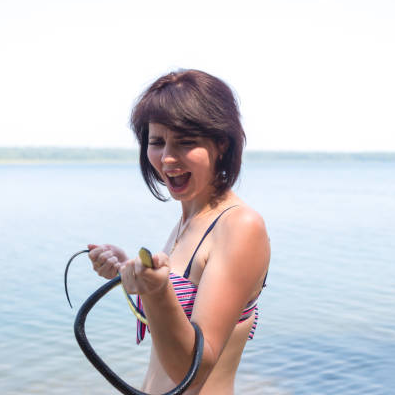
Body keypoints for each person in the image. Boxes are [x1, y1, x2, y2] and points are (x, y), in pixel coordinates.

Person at [88, 69, 270, 394]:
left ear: (221, 145)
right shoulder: (186, 223)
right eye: (157, 142)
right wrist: (128, 272)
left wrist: (156, 292)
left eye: (186, 142)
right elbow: (171, 322)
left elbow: (192, 371)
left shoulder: (240, 226)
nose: (168, 157)